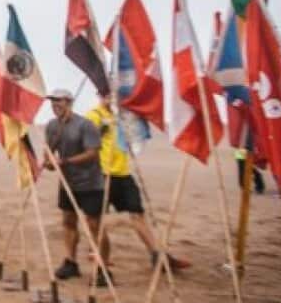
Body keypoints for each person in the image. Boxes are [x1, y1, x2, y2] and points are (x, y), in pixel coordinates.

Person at [87, 94, 190, 271]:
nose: (109, 98)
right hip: (102, 174)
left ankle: (156, 255)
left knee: (137, 214)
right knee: (96, 220)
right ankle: (100, 256)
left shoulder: (122, 116)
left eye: (112, 94)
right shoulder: (93, 115)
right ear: (99, 96)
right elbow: (87, 141)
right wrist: (99, 131)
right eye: (105, 95)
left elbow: (133, 134)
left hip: (123, 173)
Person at [43, 88, 107, 283]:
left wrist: (66, 162)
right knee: (69, 222)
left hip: (90, 182)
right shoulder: (52, 126)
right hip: (68, 183)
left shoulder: (85, 125)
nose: (55, 105)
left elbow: (92, 153)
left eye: (59, 101)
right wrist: (48, 162)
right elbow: (49, 150)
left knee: (94, 225)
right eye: (52, 101)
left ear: (69, 102)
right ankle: (70, 262)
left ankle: (103, 268)